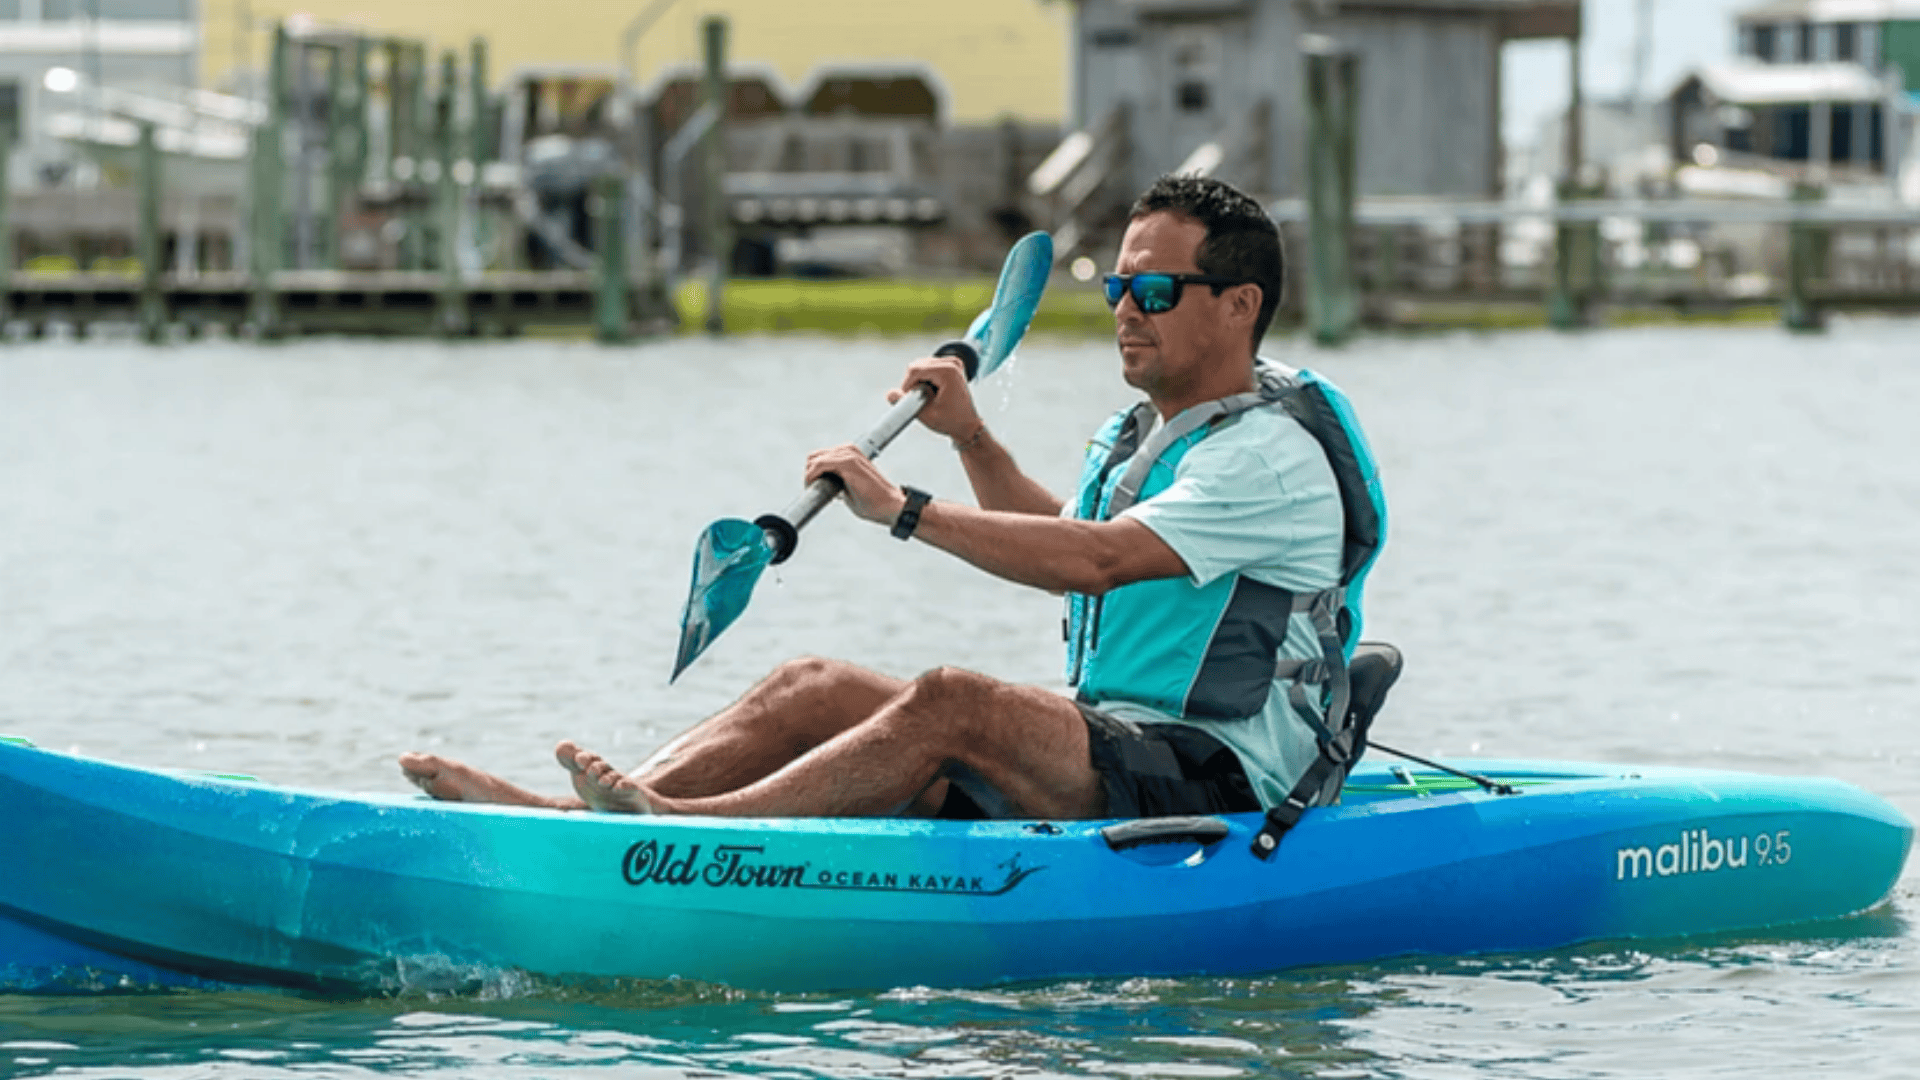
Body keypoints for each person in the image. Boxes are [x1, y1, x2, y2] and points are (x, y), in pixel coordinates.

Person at [400, 174, 1358, 823]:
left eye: (1153, 289)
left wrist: (905, 509)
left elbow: (1099, 563)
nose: (1122, 310)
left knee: (954, 700)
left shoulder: (1266, 456)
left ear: (1238, 305)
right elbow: (1070, 536)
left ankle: (686, 830)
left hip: (1218, 773)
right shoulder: (1153, 429)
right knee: (811, 683)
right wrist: (970, 436)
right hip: (1117, 739)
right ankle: (580, 825)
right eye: (1116, 285)